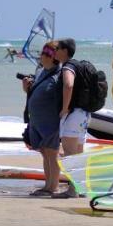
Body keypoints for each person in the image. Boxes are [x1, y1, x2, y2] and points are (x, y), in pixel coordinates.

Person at [21, 44, 64, 196]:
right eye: (42, 53)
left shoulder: (59, 75)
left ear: (54, 57)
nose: (42, 56)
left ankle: (54, 186)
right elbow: (35, 93)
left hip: (50, 121)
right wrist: (27, 88)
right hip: (38, 121)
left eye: (46, 53)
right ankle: (48, 185)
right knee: (45, 152)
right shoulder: (42, 72)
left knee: (52, 153)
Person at [52, 38, 88, 163]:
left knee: (69, 154)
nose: (54, 52)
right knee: (78, 154)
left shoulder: (68, 67)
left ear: (65, 50)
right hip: (84, 114)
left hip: (72, 115)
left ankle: (72, 182)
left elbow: (68, 85)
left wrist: (64, 108)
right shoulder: (79, 65)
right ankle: (79, 182)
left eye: (57, 49)